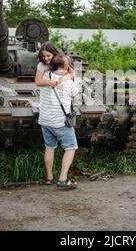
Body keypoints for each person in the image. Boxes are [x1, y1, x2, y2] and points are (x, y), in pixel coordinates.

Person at [38, 53, 79, 189]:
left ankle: (49, 178)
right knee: (71, 147)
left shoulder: (45, 77)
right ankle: (62, 179)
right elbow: (76, 97)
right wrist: (72, 74)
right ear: (66, 66)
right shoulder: (69, 82)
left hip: (45, 120)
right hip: (61, 122)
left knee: (50, 147)